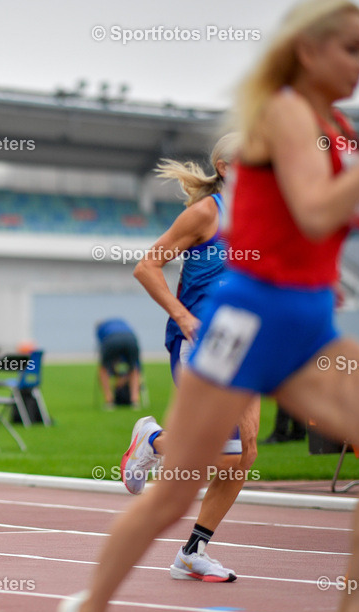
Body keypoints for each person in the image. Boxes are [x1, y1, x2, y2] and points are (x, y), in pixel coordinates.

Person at [60, 2, 359, 612]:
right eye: (350, 48)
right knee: (173, 490)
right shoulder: (285, 113)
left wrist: (318, 278)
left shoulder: (334, 127)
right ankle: (88, 611)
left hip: (307, 322)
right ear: (307, 52)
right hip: (243, 327)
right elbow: (313, 209)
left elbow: (287, 227)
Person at [122, 134, 260, 582]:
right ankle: (153, 440)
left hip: (248, 344)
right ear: (224, 167)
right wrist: (182, 314)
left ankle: (192, 552)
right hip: (201, 343)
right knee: (222, 458)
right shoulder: (206, 213)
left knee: (246, 456)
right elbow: (147, 265)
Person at [94, 318, 141, 408]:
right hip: (131, 338)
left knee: (103, 369)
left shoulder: (100, 329)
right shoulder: (122, 322)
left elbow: (106, 352)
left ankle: (109, 401)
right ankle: (135, 401)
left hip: (111, 339)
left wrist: (114, 373)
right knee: (134, 368)